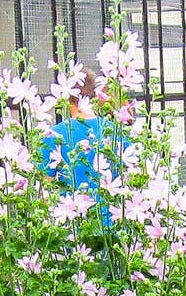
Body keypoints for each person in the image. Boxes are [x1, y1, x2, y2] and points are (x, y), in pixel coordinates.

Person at [39, 69, 125, 223]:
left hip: (71, 231)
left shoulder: (52, 136)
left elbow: (45, 193)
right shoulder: (116, 131)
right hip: (113, 228)